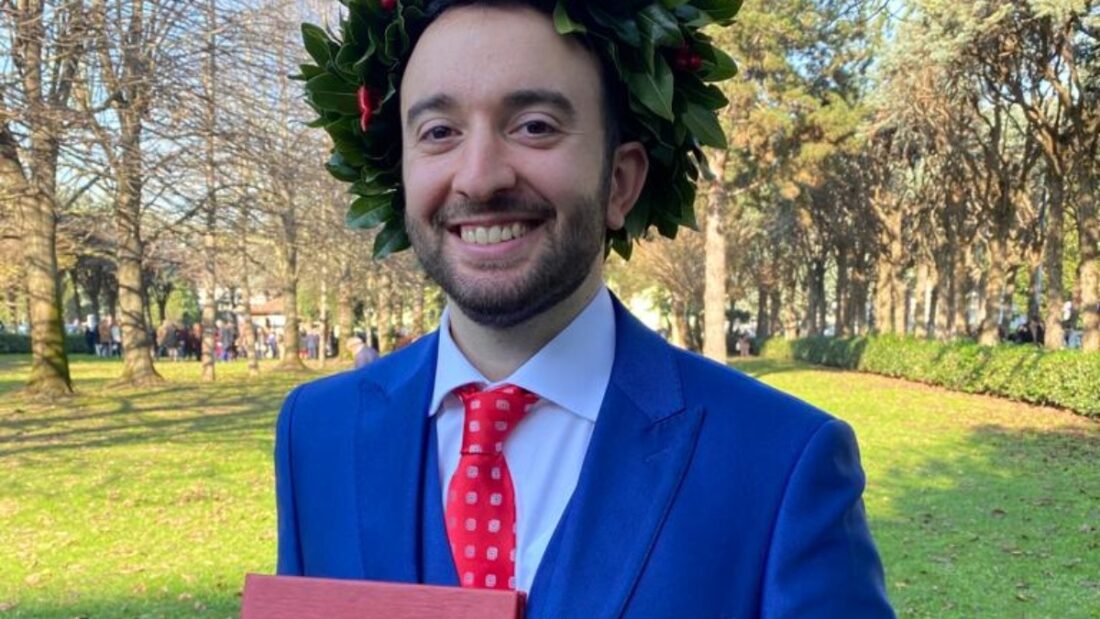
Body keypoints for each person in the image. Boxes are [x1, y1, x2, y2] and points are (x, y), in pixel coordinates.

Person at [275, 2, 893, 617]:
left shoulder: (781, 462)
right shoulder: (315, 433)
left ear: (620, 183)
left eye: (534, 126)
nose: (479, 178)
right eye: (439, 132)